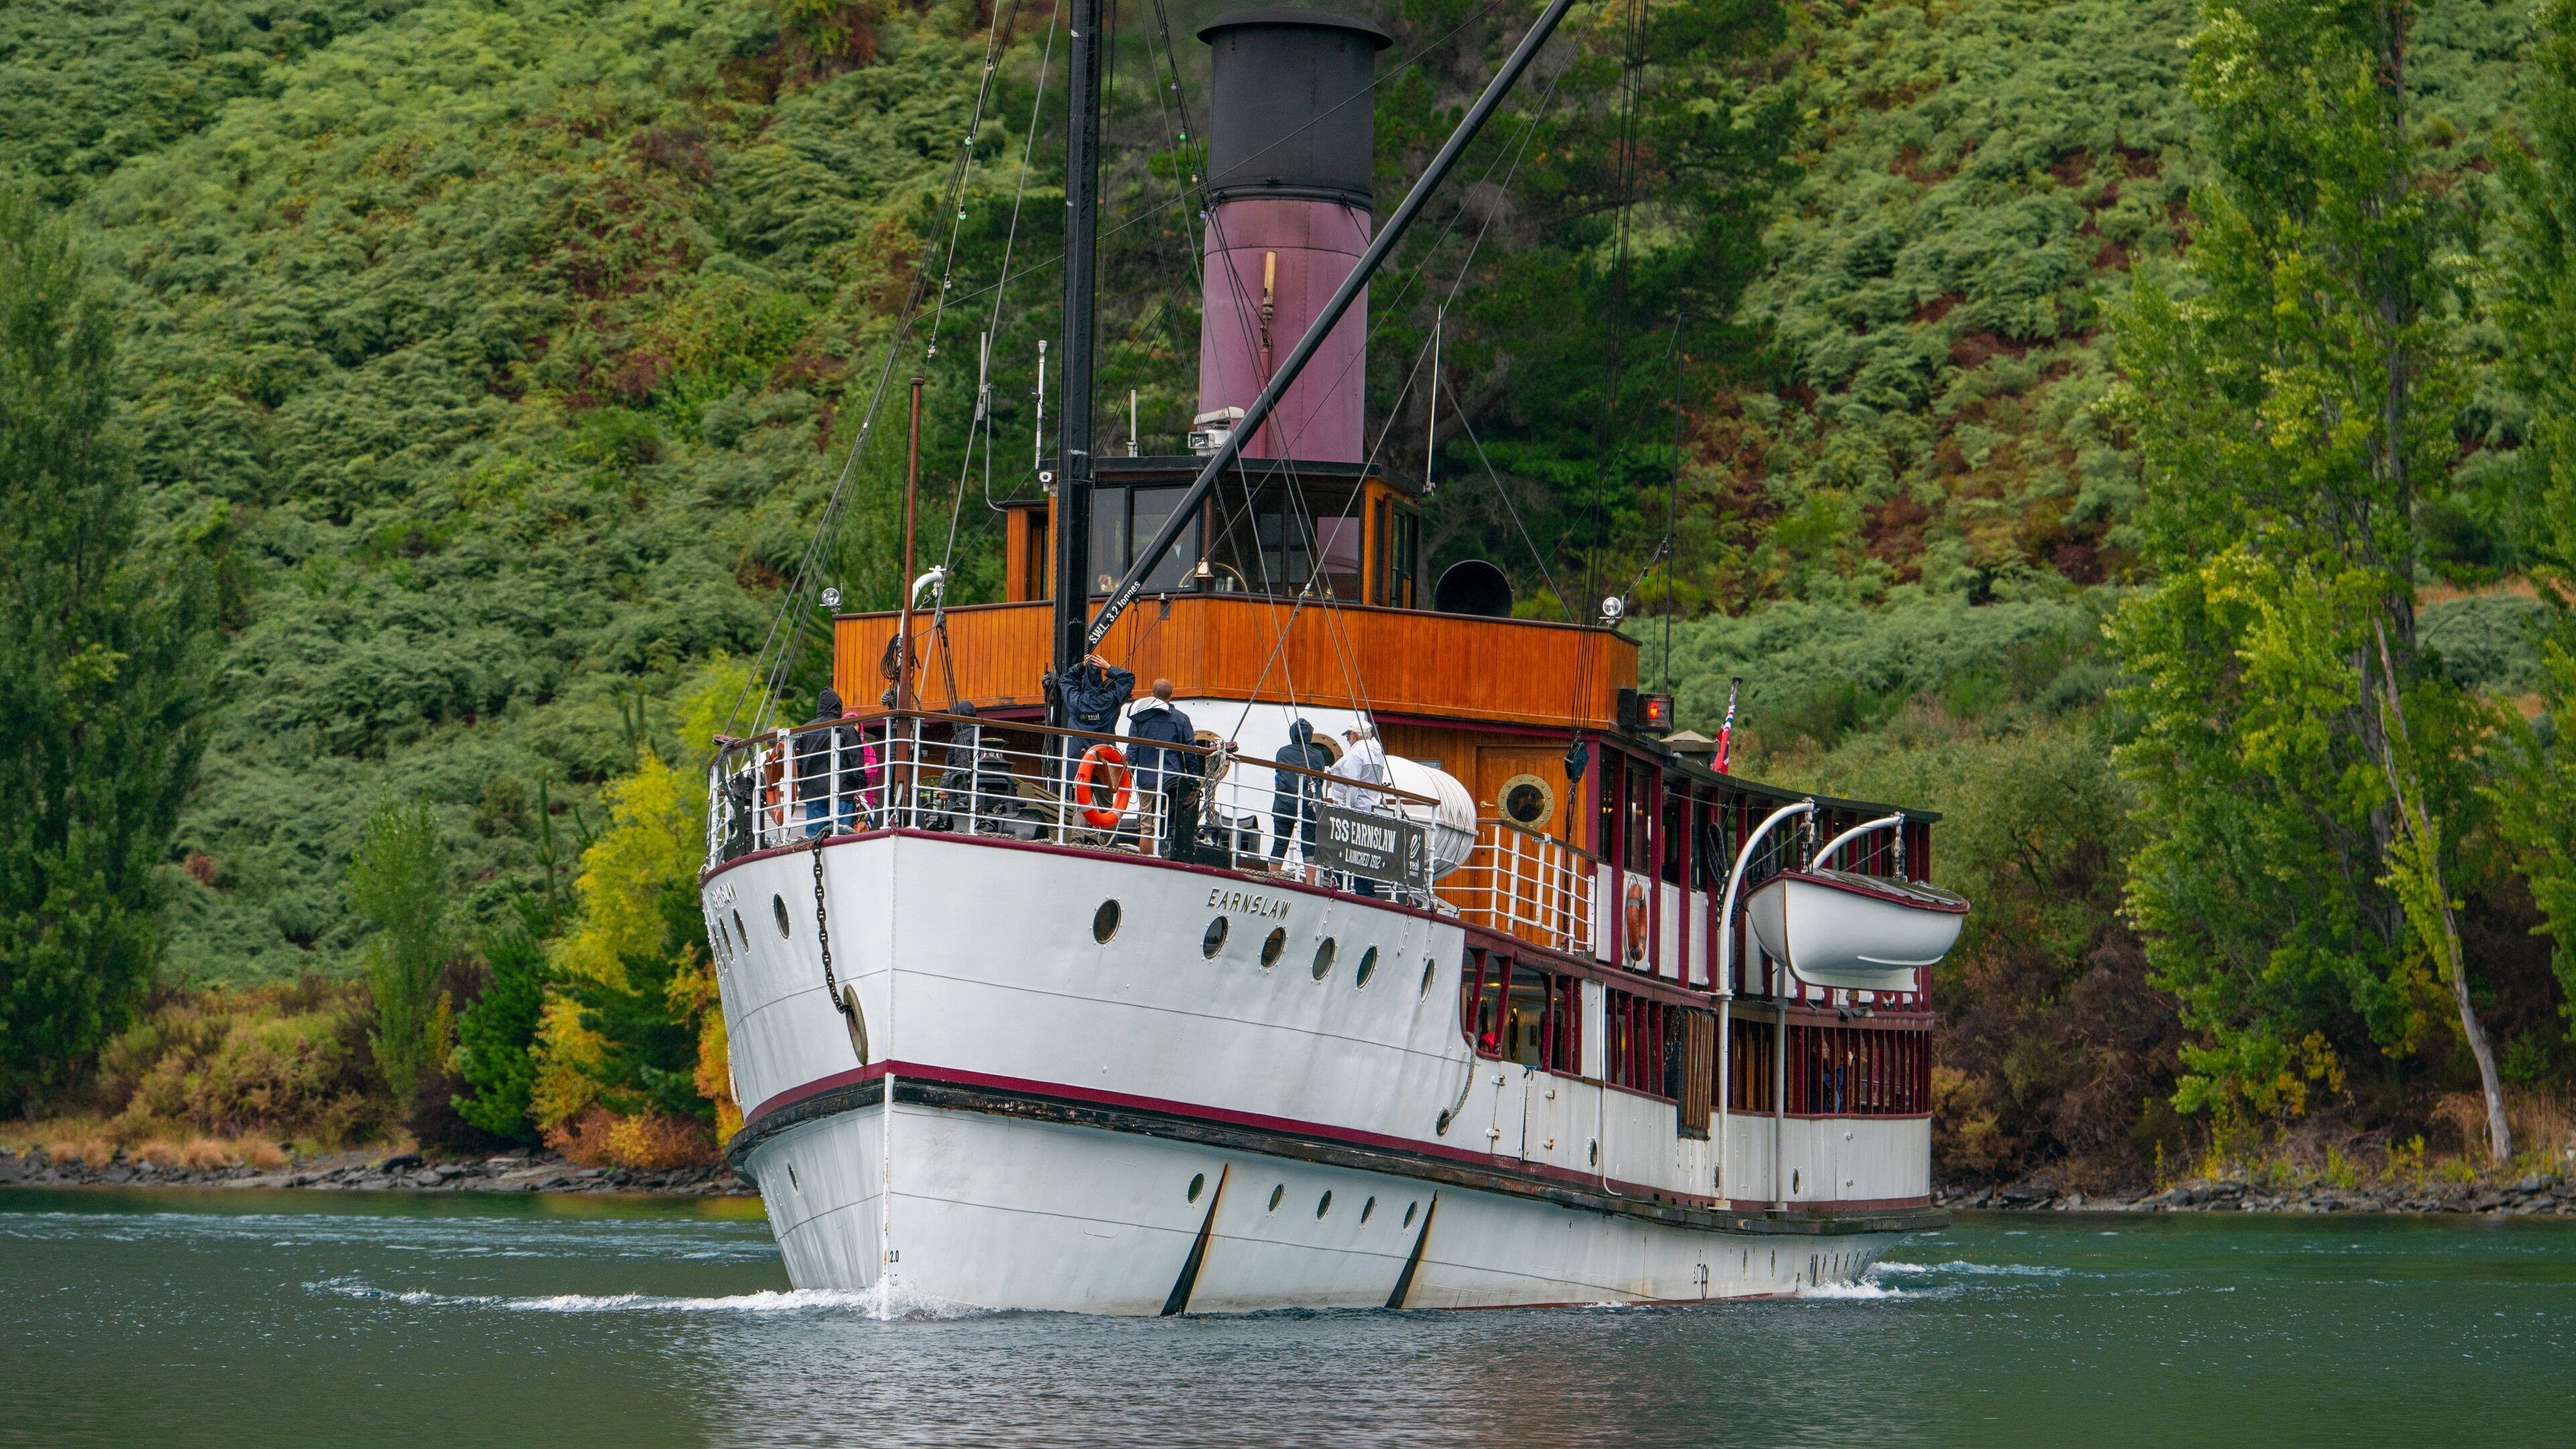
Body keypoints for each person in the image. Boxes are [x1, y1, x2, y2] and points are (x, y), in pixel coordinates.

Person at [1125, 679, 1199, 852]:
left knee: (1147, 826)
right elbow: (1190, 752)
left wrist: (1128, 776)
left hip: (1147, 779)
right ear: (1171, 697)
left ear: (1152, 695)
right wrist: (1194, 779)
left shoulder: (1139, 719)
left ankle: (1147, 861)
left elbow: (1133, 750)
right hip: (1173, 781)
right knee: (1172, 823)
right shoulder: (1181, 719)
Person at [1326, 722, 1391, 895]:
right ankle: (1366, 892)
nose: (1347, 739)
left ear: (1355, 735)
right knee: (1365, 854)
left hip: (1356, 809)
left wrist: (1347, 810)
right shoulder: (1376, 752)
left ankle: (1338, 886)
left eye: (1348, 735)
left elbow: (1351, 784)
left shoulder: (1357, 752)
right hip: (1371, 807)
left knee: (1343, 849)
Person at [795, 688, 857, 838]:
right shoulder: (846, 728)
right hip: (841, 788)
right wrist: (858, 786)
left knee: (815, 837)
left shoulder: (806, 730)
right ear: (838, 706)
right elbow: (856, 760)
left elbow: (799, 762)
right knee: (843, 835)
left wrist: (803, 784)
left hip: (813, 789)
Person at [1271, 718, 1331, 863]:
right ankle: (1310, 882)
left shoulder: (1282, 753)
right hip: (1309, 805)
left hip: (1284, 804)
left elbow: (1279, 772)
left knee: (1280, 844)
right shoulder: (1317, 755)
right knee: (1310, 846)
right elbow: (1320, 780)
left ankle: (1272, 878)